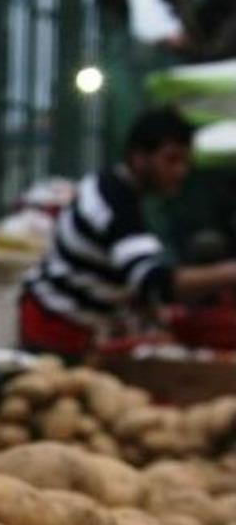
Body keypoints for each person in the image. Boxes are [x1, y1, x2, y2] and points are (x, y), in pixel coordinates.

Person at [20, 107, 236, 357]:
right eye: (171, 160)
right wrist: (229, 273)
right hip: (55, 331)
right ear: (139, 157)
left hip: (71, 328)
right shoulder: (114, 202)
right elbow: (153, 282)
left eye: (185, 162)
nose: (181, 172)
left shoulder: (116, 190)